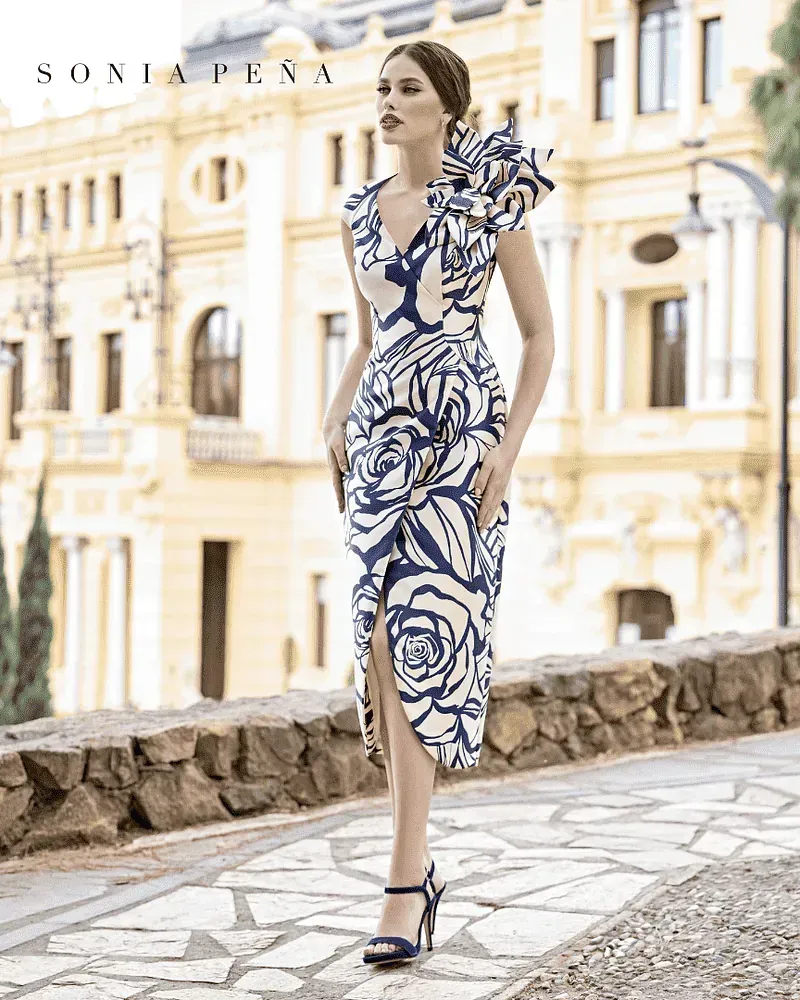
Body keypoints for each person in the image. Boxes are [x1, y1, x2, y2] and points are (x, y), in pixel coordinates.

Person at [322, 39, 556, 964]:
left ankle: (402, 880)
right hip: (380, 436)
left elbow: (539, 337)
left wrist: (508, 446)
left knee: (423, 633)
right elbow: (367, 334)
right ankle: (412, 873)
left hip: (462, 435)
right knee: (382, 639)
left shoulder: (490, 197)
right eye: (381, 88)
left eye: (407, 89)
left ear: (445, 105)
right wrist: (333, 417)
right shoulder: (357, 214)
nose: (387, 101)